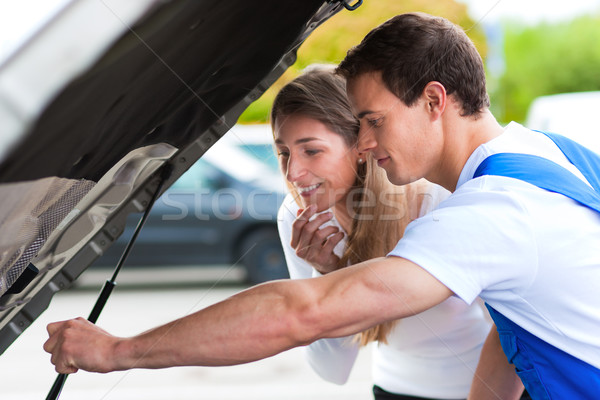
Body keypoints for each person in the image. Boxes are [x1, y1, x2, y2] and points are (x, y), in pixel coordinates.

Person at [44, 13, 600, 399]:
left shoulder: (489, 212)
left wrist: (119, 351)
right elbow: (523, 321)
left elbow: (301, 312)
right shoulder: (553, 153)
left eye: (373, 123)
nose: (363, 145)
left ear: (434, 100)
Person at [272, 66, 491, 400]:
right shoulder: (297, 217)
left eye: (311, 150)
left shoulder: (439, 204)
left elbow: (515, 333)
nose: (293, 173)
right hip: (396, 391)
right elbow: (332, 370)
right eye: (284, 152)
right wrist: (326, 276)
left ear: (360, 148)